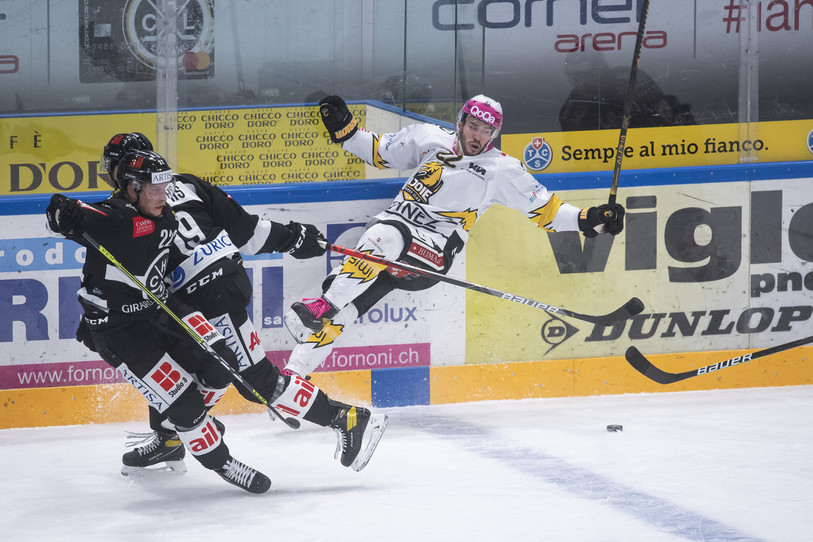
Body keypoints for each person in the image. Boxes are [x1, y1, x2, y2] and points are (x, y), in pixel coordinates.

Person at [97, 133, 388, 476]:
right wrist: (294, 238)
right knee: (171, 362)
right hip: (222, 285)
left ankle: (347, 418)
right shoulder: (187, 183)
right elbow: (248, 232)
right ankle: (170, 439)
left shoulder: (123, 210)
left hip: (206, 298)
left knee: (257, 381)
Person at [282, 94, 625, 376]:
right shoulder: (428, 138)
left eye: (486, 131)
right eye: (473, 126)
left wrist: (592, 218)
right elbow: (380, 151)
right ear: (460, 122)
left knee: (383, 238)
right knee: (346, 306)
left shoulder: (502, 170)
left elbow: (549, 211)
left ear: (494, 134)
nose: (478, 136)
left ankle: (325, 305)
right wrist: (344, 128)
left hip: (429, 257)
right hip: (386, 245)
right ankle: (294, 376)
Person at [46, 149, 272, 493]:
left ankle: (184, 428)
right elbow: (78, 216)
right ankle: (221, 460)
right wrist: (62, 212)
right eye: (154, 189)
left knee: (221, 364)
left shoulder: (166, 218)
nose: (162, 196)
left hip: (158, 311)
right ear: (132, 188)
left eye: (165, 188)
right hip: (120, 332)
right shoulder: (117, 216)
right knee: (185, 404)